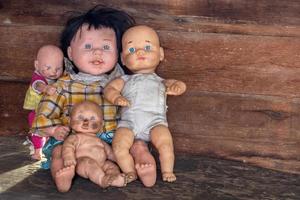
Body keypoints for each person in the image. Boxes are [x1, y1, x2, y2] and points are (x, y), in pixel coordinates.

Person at [30, 6, 135, 192]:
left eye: (106, 46)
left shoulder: (119, 85)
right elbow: (45, 110)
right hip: (70, 140)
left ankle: (114, 175)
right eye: (87, 46)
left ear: (118, 54)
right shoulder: (63, 85)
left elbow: (132, 112)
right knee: (57, 153)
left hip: (106, 143)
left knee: (122, 153)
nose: (97, 52)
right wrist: (54, 129)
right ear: (70, 54)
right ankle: (62, 175)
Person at [104, 25, 187, 187]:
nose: (140, 52)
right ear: (122, 58)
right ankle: (130, 171)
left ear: (161, 54)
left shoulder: (161, 81)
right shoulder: (125, 80)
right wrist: (115, 97)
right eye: (132, 49)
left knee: (165, 143)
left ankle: (167, 170)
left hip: (155, 122)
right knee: (119, 146)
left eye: (147, 47)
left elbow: (179, 84)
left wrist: (177, 87)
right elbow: (109, 89)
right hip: (129, 123)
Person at [61, 101, 126, 192]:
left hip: (102, 163)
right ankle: (102, 180)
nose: (86, 122)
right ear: (70, 121)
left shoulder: (100, 141)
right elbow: (68, 147)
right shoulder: (75, 138)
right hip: (82, 163)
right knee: (88, 163)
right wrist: (69, 157)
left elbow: (110, 153)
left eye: (92, 119)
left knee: (112, 166)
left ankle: (114, 178)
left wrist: (120, 161)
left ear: (101, 124)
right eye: (80, 117)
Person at [23, 45, 64, 160]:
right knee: (39, 131)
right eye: (48, 67)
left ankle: (46, 146)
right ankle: (37, 151)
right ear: (37, 65)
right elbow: (37, 85)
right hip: (37, 113)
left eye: (58, 68)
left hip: (50, 113)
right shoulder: (38, 78)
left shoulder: (58, 79)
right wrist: (45, 88)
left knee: (51, 131)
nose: (53, 72)